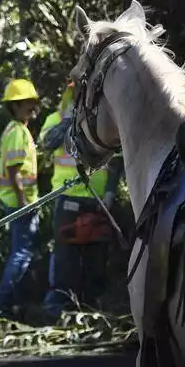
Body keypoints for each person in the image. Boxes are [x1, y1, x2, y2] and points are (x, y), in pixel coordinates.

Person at [39, 83, 123, 320]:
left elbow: (116, 161)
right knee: (66, 258)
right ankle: (60, 311)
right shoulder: (55, 119)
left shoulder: (104, 121)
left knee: (96, 259)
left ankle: (90, 311)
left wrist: (109, 194)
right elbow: (47, 143)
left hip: (97, 203)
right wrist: (70, 121)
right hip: (67, 200)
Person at [0, 78, 42, 318]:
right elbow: (13, 170)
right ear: (14, 106)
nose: (31, 107)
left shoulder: (20, 130)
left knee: (22, 252)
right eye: (25, 103)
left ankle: (16, 304)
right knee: (21, 253)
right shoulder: (17, 132)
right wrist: (23, 201)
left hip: (24, 201)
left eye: (32, 102)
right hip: (20, 203)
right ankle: (3, 303)